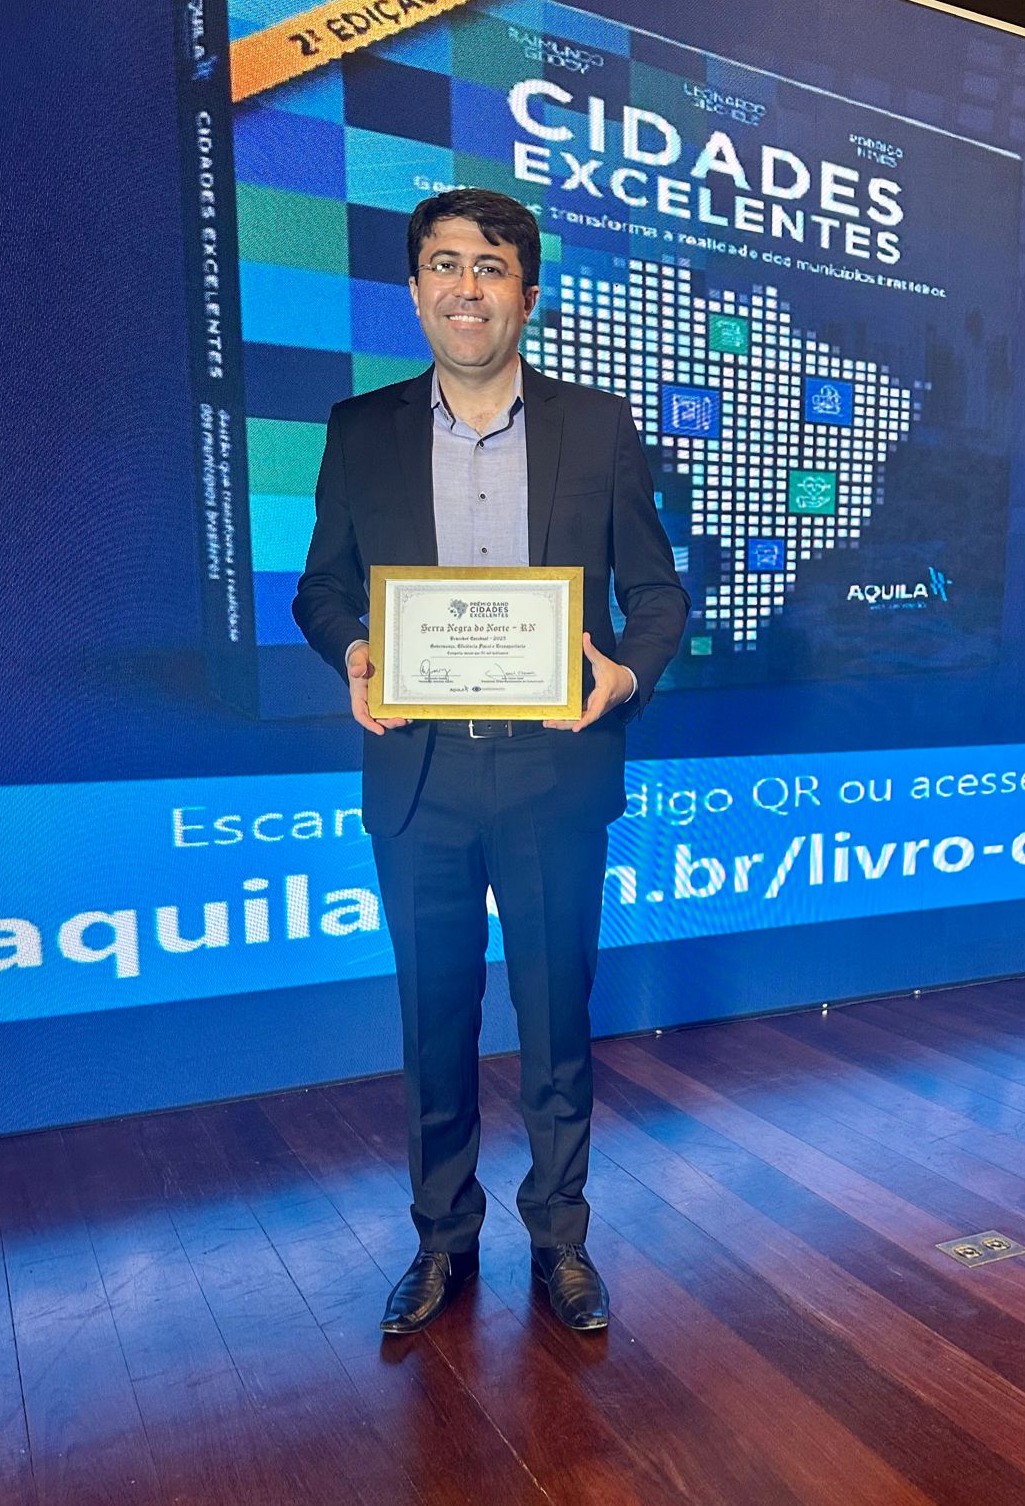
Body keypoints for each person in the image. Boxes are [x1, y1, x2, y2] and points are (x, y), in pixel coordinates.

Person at [293, 188, 688, 1333]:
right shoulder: (358, 428)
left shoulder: (597, 426)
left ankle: (560, 1240)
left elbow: (656, 594)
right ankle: (441, 1242)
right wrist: (355, 648)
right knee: (434, 1021)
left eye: (491, 266)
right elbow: (321, 587)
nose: (466, 287)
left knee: (556, 1019)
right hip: (419, 777)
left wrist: (624, 676)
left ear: (527, 292)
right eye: (444, 264)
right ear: (415, 288)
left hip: (554, 770)